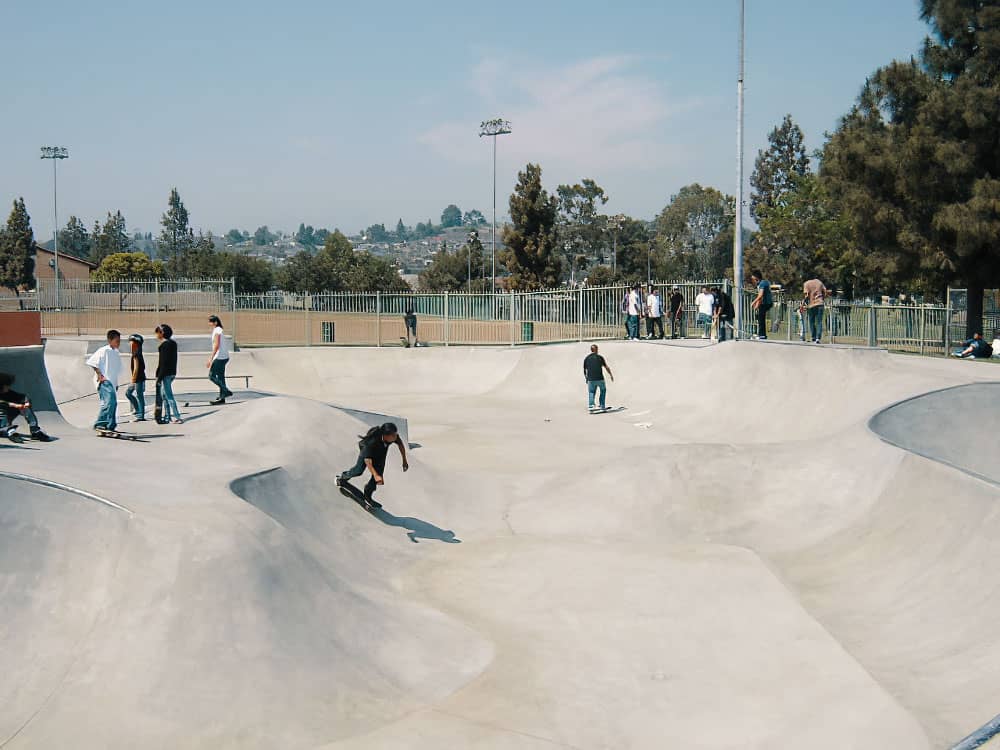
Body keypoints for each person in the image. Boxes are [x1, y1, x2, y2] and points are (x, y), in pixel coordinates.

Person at [336, 422, 409, 507]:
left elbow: (400, 444)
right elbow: (367, 461)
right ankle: (342, 478)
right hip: (367, 453)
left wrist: (404, 460)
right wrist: (375, 475)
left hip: (380, 454)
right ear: (385, 435)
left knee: (379, 474)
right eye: (393, 435)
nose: (395, 437)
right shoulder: (372, 441)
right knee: (358, 470)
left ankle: (368, 494)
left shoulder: (393, 436)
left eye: (395, 435)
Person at [86, 329, 122, 432]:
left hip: (112, 382)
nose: (118, 343)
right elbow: (92, 362)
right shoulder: (104, 350)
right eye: (116, 341)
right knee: (109, 402)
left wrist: (116, 383)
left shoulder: (116, 353)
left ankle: (110, 425)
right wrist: (100, 375)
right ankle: (100, 423)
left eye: (119, 341)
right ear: (110, 340)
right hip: (104, 381)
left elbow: (114, 369)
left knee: (112, 403)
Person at [0, 372, 52, 443]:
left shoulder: (9, 393)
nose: (8, 387)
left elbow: (23, 397)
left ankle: (34, 430)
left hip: (5, 420)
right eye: (7, 386)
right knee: (4, 408)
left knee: (24, 406)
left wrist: (26, 403)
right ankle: (9, 431)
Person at [155, 324, 182, 424]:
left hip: (165, 374)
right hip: (172, 372)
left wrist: (159, 377)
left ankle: (176, 416)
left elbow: (163, 362)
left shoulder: (164, 345)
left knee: (168, 395)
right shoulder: (173, 343)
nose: (156, 335)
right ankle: (167, 416)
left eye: (157, 333)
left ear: (162, 333)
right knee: (164, 395)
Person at [206, 315, 233, 405]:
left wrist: (211, 358)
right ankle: (222, 398)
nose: (209, 324)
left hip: (219, 357)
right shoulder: (218, 330)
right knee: (221, 377)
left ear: (215, 322)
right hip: (224, 356)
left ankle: (226, 391)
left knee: (211, 376)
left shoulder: (217, 330)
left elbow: (217, 345)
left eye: (210, 322)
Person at [583, 344, 615, 412]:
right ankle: (602, 405)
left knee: (591, 391)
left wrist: (586, 378)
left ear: (591, 350)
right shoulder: (600, 357)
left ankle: (591, 405)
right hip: (600, 378)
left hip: (591, 379)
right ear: (596, 350)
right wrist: (611, 375)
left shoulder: (586, 358)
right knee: (603, 390)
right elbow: (606, 367)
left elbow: (585, 370)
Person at [124, 333, 147, 421]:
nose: (130, 344)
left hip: (138, 379)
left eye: (131, 342)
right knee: (128, 393)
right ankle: (138, 410)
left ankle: (141, 415)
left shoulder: (136, 354)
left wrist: (133, 380)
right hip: (138, 378)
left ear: (136, 343)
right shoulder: (137, 353)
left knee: (139, 395)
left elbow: (136, 368)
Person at [803, 277, 830, 343]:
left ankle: (813, 337)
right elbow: (825, 291)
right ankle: (818, 337)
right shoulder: (819, 282)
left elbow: (806, 295)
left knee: (811, 321)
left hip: (811, 304)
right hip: (820, 303)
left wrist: (804, 303)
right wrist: (823, 298)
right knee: (819, 321)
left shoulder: (806, 283)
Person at [750, 270, 773, 340]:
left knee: (761, 318)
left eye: (753, 279)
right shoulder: (760, 284)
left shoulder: (763, 283)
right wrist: (757, 305)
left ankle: (762, 334)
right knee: (760, 317)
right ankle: (761, 333)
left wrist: (753, 302)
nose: (752, 281)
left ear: (757, 278)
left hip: (767, 303)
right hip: (764, 303)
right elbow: (760, 298)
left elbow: (760, 295)